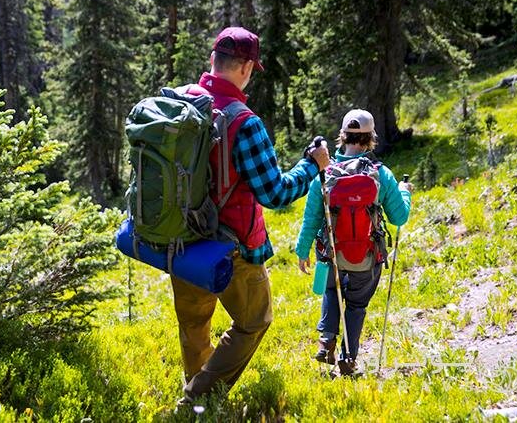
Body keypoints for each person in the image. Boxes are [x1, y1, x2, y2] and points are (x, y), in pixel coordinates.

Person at [172, 26, 331, 405]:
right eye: (250, 68)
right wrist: (312, 165)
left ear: (214, 60)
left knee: (194, 323)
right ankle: (199, 398)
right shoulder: (244, 121)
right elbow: (274, 193)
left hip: (180, 238)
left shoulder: (181, 102)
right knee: (254, 321)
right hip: (231, 247)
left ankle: (197, 397)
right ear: (244, 67)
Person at [295, 109, 412, 376]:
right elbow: (400, 216)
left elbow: (311, 217)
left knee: (331, 292)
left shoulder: (325, 174)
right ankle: (349, 358)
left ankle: (326, 341)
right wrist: (405, 193)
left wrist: (302, 251)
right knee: (357, 305)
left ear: (342, 136)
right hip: (366, 257)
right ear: (371, 138)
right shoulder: (380, 174)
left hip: (332, 254)